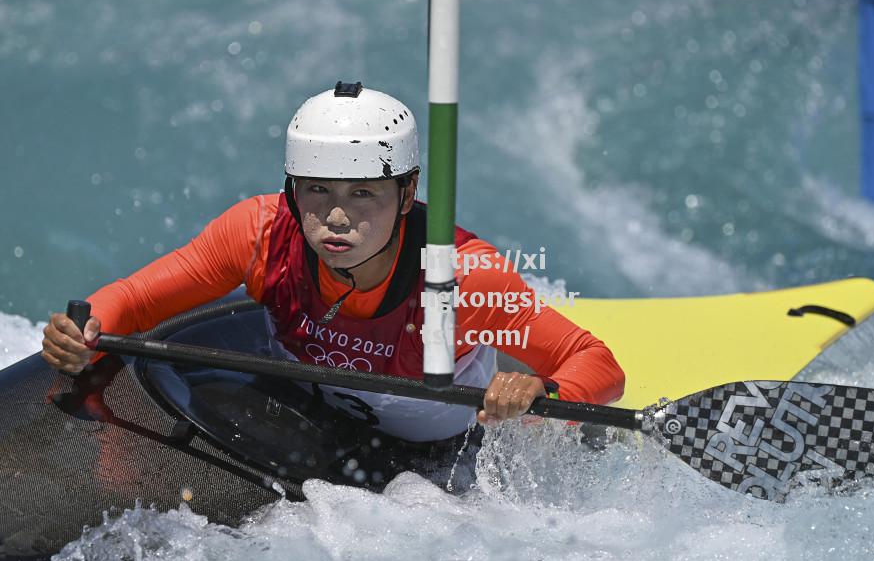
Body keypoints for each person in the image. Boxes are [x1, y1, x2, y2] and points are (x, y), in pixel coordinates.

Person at [41, 82, 625, 447]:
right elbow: (134, 302)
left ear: (408, 191)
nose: (335, 217)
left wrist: (539, 395)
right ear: (292, 188)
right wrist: (83, 331)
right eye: (317, 190)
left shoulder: (465, 278)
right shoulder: (259, 231)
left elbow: (597, 365)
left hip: (438, 448)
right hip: (301, 405)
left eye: (363, 194)